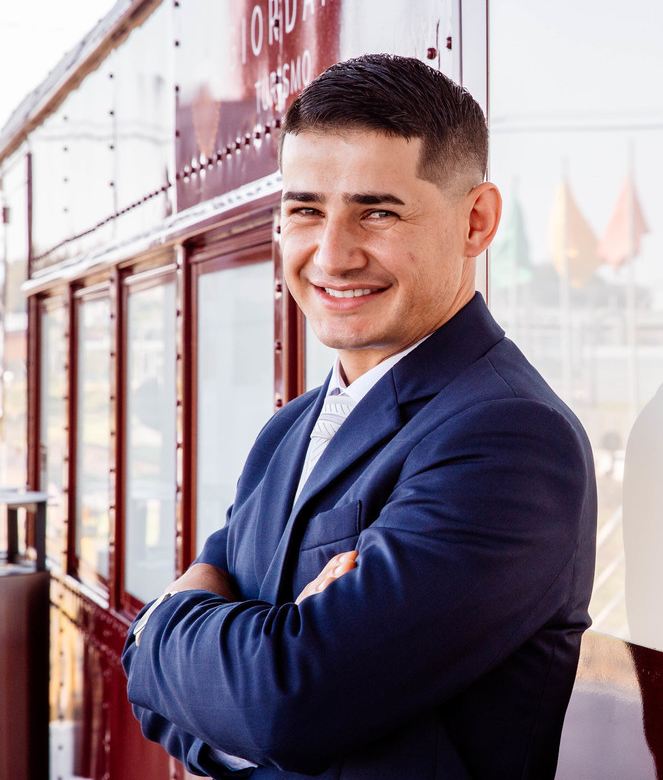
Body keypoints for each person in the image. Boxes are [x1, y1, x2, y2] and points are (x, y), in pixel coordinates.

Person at [122, 53, 597, 780]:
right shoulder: (288, 431)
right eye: (306, 210)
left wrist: (169, 630)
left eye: (377, 211)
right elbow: (172, 692)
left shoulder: (510, 439)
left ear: (477, 221)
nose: (332, 255)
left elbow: (285, 703)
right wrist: (250, 669)